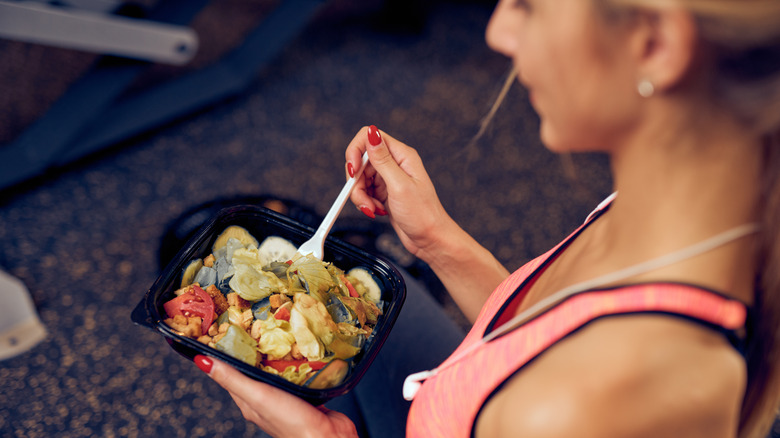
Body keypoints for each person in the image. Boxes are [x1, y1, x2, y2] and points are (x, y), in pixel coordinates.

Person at [192, 0, 780, 436]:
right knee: (361, 304)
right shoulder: (688, 207)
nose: (498, 32)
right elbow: (544, 335)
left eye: (527, 5)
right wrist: (438, 241)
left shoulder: (580, 409)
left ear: (655, 45)